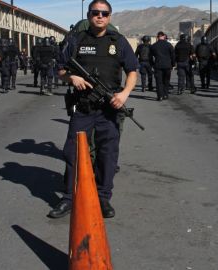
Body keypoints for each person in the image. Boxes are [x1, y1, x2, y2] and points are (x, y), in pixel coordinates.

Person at [49, 0, 137, 219]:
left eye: (104, 13)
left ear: (110, 16)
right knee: (73, 151)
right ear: (89, 15)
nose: (100, 16)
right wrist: (72, 78)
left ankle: (103, 196)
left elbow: (133, 71)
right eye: (95, 13)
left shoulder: (118, 41)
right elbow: (60, 69)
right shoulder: (76, 39)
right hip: (84, 107)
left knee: (108, 153)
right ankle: (69, 197)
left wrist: (124, 94)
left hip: (109, 108)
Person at [150, 31, 175, 101]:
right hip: (167, 66)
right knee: (166, 81)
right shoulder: (169, 45)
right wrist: (173, 64)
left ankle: (160, 96)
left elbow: (150, 57)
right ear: (164, 36)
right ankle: (165, 95)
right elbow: (173, 56)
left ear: (157, 37)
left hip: (158, 66)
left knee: (159, 82)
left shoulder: (153, 46)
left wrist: (152, 64)